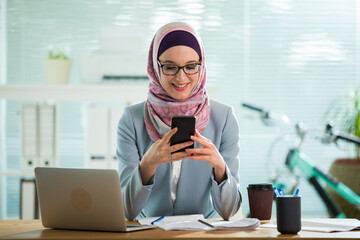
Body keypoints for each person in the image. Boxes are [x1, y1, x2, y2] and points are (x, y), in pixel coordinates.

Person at [117, 22, 242, 221]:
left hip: (202, 233)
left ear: (201, 65)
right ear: (155, 67)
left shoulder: (224, 118)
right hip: (149, 232)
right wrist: (147, 165)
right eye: (170, 67)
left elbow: (229, 211)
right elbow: (126, 211)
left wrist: (219, 167)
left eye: (191, 66)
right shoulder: (131, 120)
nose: (181, 77)